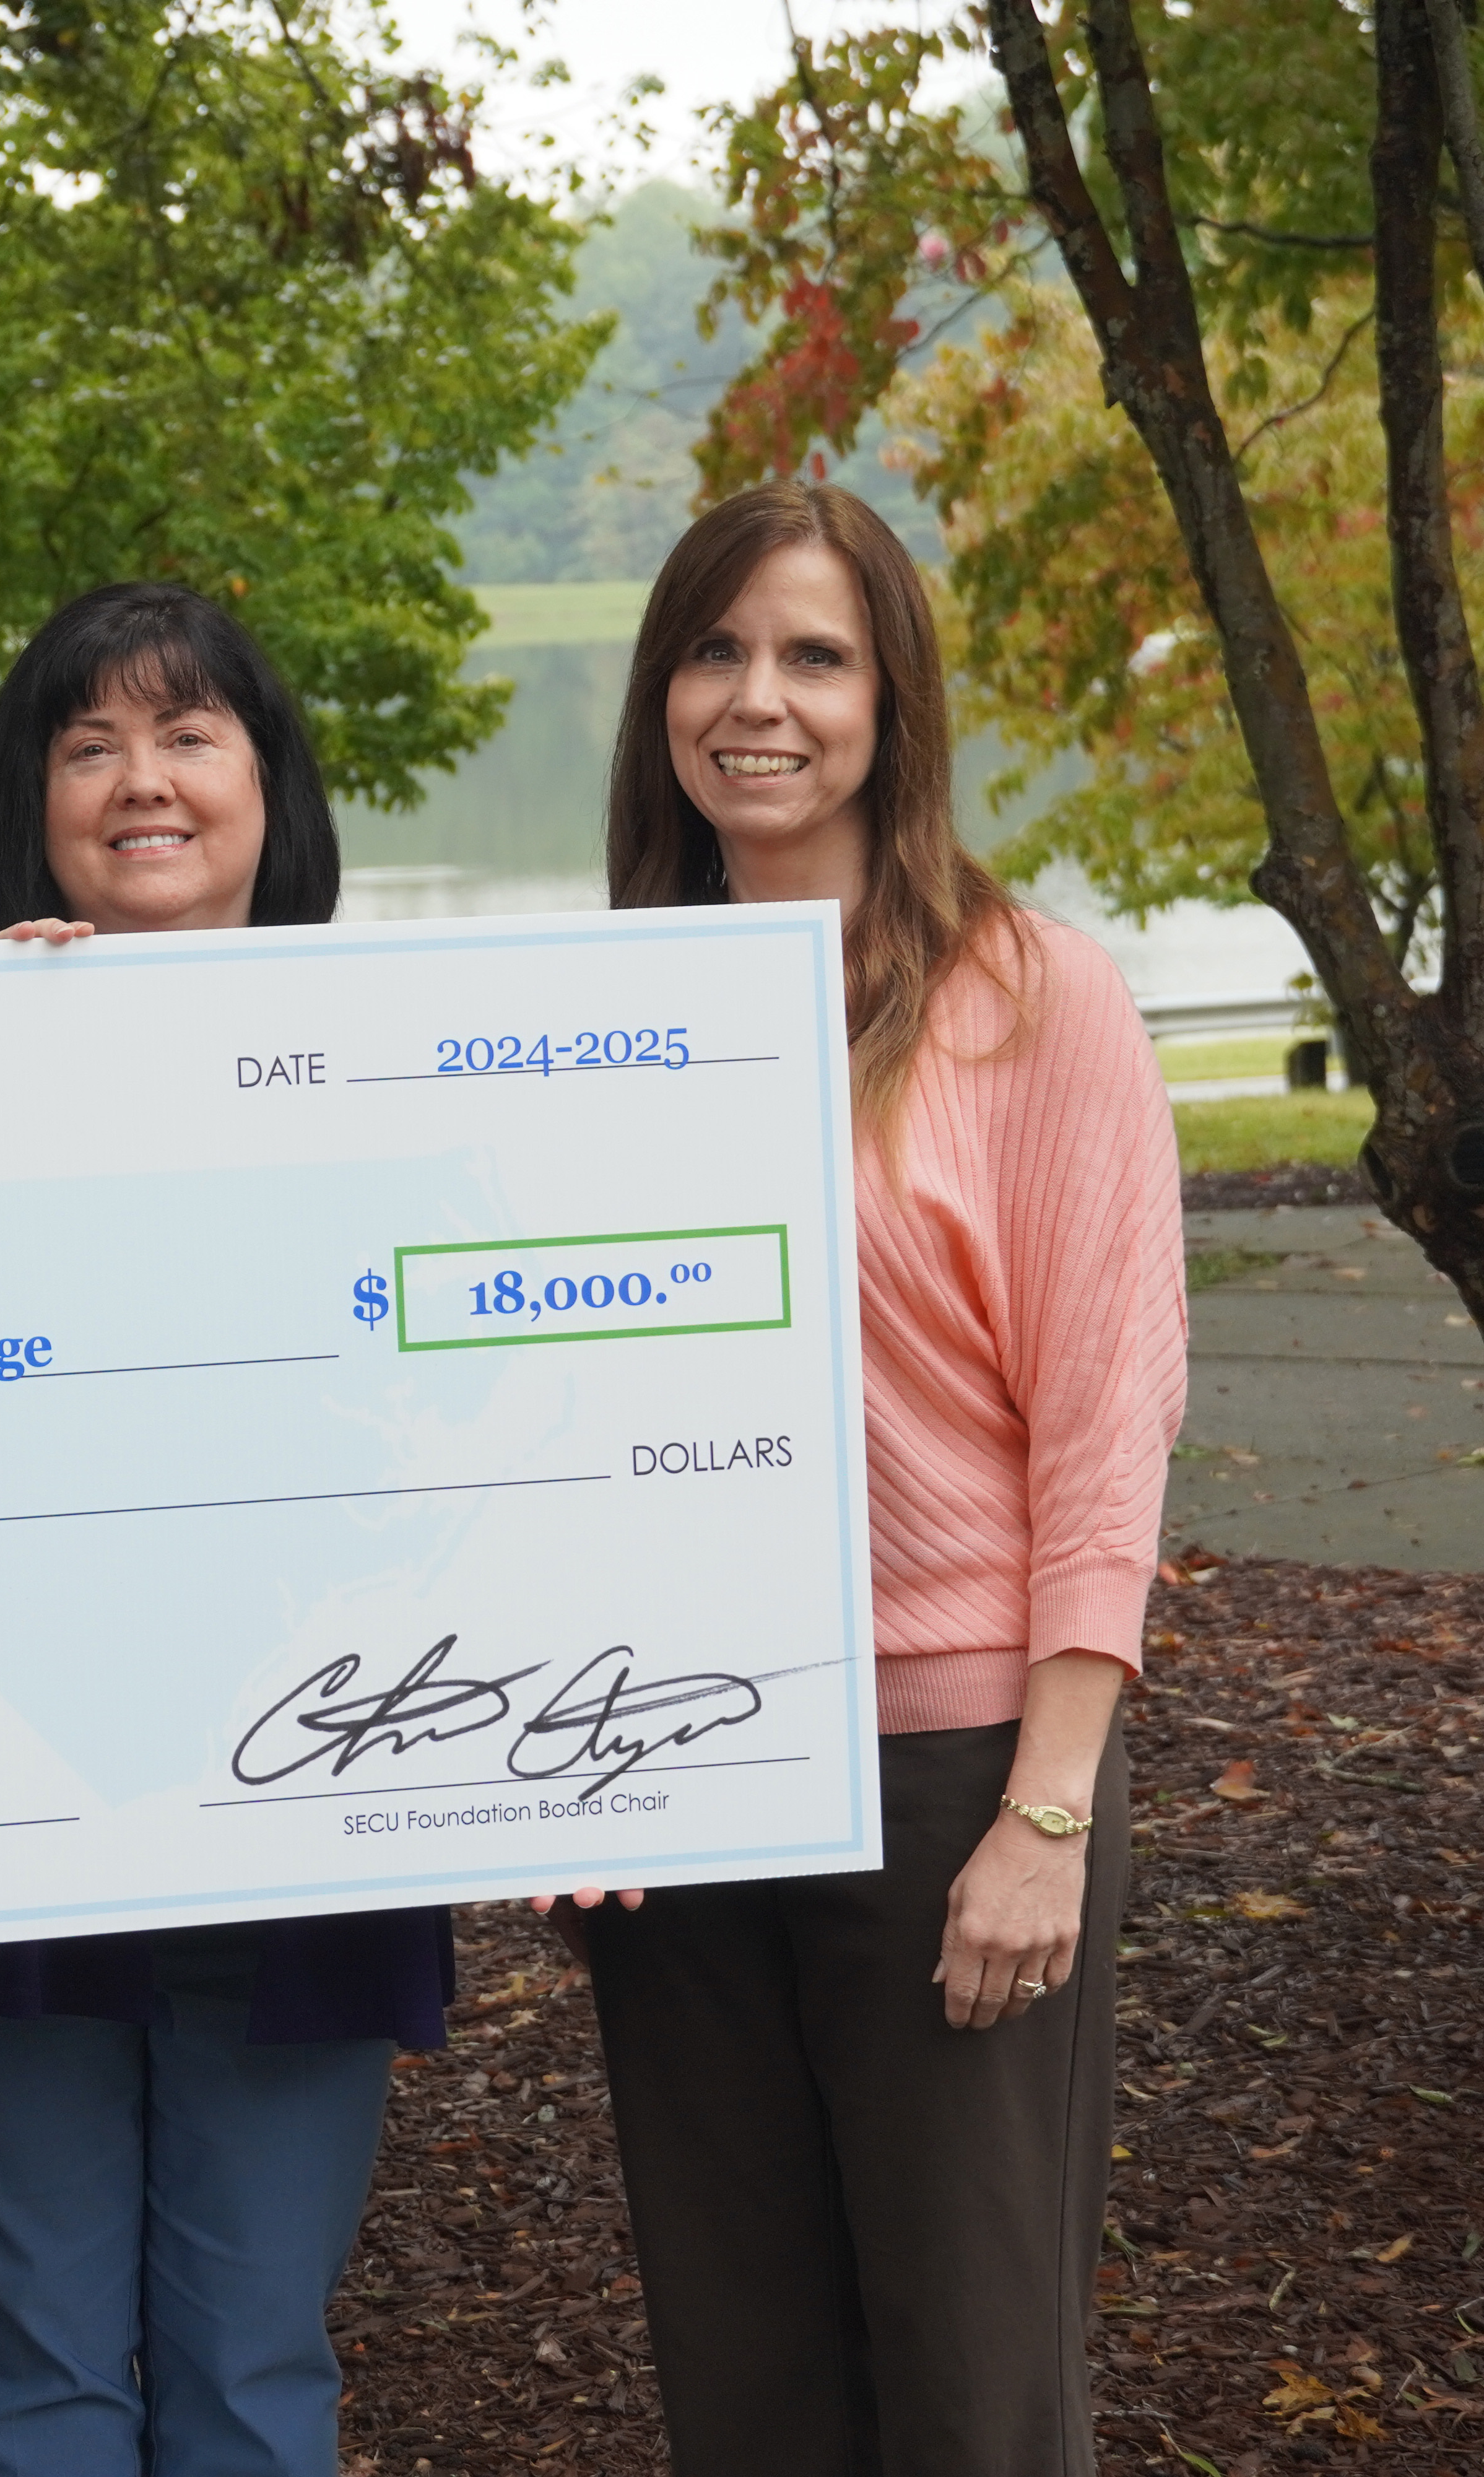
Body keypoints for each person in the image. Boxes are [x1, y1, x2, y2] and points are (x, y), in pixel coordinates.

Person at [547, 481, 1184, 2476]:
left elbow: (1104, 1425)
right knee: (750, 2390)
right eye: (716, 652)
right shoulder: (579, 1024)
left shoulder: (1034, 996)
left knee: (975, 2394)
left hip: (950, 1768)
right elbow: (514, 1417)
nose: (761, 700)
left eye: (815, 655)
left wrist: (1049, 1813)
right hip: (676, 1768)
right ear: (661, 694)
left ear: (892, 700)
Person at [0, 581, 454, 2477]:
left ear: (272, 785)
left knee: (256, 2374)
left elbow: (507, 1420)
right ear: (31, 798)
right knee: (30, 2401)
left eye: (188, 734)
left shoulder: (420, 1063)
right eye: (87, 744)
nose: (141, 780)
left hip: (304, 1818)